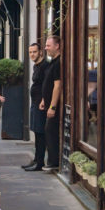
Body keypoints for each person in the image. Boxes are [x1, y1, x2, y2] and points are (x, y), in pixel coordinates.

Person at [22, 42, 49, 171]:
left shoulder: (45, 66)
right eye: (30, 52)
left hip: (41, 105)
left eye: (34, 52)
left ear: (40, 52)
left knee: (40, 133)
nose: (32, 54)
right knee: (36, 132)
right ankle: (37, 159)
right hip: (35, 103)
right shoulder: (36, 66)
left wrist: (44, 99)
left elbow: (47, 85)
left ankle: (40, 163)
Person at [40, 34, 62, 171]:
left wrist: (53, 106)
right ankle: (52, 161)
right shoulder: (53, 62)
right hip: (48, 104)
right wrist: (44, 99)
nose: (46, 48)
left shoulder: (59, 62)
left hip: (54, 106)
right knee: (49, 130)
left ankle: (54, 162)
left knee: (51, 131)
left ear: (57, 46)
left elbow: (57, 86)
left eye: (48, 45)